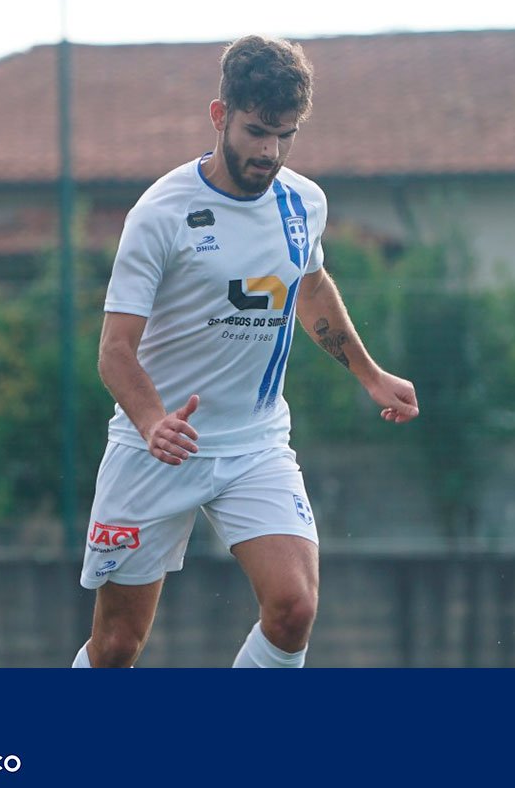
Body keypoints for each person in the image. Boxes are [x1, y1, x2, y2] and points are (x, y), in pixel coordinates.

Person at [71, 35, 419, 668]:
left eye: (285, 135)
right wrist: (153, 423)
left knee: (295, 608)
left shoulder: (302, 203)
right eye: (257, 131)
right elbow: (114, 351)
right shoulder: (161, 213)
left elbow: (309, 286)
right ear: (218, 114)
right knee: (118, 646)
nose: (270, 151)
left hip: (255, 444)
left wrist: (369, 375)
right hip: (155, 448)